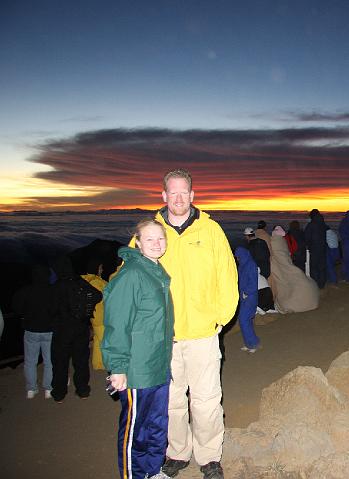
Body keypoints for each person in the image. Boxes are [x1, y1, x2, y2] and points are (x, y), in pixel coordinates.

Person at [151, 169, 238, 479]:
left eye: (183, 192)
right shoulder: (150, 233)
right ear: (163, 195)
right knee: (172, 402)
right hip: (165, 337)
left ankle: (209, 456)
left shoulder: (211, 231)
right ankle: (177, 452)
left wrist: (219, 318)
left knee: (206, 401)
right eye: (171, 192)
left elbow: (228, 276)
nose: (177, 198)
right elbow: (131, 278)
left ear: (192, 195)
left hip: (203, 334)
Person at [103, 219, 174, 479]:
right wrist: (118, 367)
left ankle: (153, 470)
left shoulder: (155, 271)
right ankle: (133, 475)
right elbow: (117, 324)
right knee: (135, 429)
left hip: (158, 365)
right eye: (150, 239)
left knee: (156, 424)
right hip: (137, 369)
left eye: (160, 238)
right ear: (138, 242)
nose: (156, 244)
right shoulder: (132, 274)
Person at [49, 256, 102, 402]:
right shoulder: (79, 282)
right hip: (81, 328)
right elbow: (98, 295)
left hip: (62, 330)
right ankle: (83, 390)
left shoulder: (57, 286)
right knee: (81, 360)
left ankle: (59, 393)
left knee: (60, 362)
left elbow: (51, 309)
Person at [13, 265, 54, 399]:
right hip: (49, 330)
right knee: (49, 360)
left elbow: (17, 308)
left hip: (31, 330)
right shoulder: (52, 290)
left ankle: (31, 389)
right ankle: (48, 389)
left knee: (30, 361)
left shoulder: (25, 291)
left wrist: (25, 315)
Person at [269, 226, 319, 313]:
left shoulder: (273, 242)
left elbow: (277, 255)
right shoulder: (283, 241)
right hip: (290, 261)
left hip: (283, 265)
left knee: (285, 280)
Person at [81, 259, 108, 370]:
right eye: (100, 267)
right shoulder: (97, 282)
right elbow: (101, 298)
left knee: (97, 339)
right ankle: (103, 363)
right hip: (100, 314)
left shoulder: (86, 279)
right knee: (103, 340)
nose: (102, 270)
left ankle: (98, 363)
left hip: (93, 315)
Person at [233, 245, 260, 353]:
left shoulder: (251, 265)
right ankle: (249, 343)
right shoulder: (242, 265)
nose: (237, 259)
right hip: (243, 296)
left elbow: (253, 283)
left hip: (250, 296)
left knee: (244, 320)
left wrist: (247, 292)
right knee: (244, 320)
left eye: (238, 257)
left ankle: (253, 343)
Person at [304, 209, 328, 288]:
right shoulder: (323, 224)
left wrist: (308, 244)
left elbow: (306, 237)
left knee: (314, 268)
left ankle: (315, 285)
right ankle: (322, 284)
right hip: (323, 248)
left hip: (314, 248)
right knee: (322, 267)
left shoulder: (311, 225)